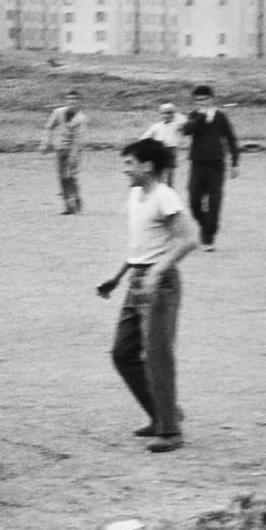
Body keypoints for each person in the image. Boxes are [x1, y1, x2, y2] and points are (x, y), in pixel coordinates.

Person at [97, 138, 197, 453]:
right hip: (137, 281)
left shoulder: (164, 196)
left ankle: (170, 431)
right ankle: (162, 413)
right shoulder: (135, 195)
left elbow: (188, 239)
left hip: (160, 284)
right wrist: (116, 278)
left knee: (157, 355)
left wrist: (158, 271)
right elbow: (139, 247)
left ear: (147, 165)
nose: (125, 169)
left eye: (130, 163)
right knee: (123, 353)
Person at [182, 85, 239, 252]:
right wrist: (201, 116)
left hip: (216, 163)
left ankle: (208, 238)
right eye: (198, 100)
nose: (201, 102)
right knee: (194, 199)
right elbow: (187, 130)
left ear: (211, 99)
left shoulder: (221, 116)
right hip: (197, 163)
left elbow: (231, 139)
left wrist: (235, 163)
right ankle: (204, 225)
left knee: (214, 201)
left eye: (204, 99)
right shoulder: (194, 115)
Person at [40, 90, 88, 215]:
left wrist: (73, 155)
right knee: (61, 177)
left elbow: (79, 140)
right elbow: (49, 127)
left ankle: (75, 200)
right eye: (70, 99)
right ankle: (68, 205)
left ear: (79, 101)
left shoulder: (81, 118)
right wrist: (45, 142)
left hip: (74, 150)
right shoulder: (58, 112)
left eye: (75, 99)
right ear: (66, 100)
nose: (72, 101)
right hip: (60, 149)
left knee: (70, 176)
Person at [139, 103, 187, 186]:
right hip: (159, 150)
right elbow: (144, 137)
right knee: (159, 173)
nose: (166, 115)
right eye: (163, 113)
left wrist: (176, 114)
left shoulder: (176, 125)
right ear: (160, 114)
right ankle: (159, 189)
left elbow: (184, 121)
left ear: (173, 114)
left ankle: (170, 189)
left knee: (170, 175)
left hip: (171, 150)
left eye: (169, 113)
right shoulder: (156, 126)